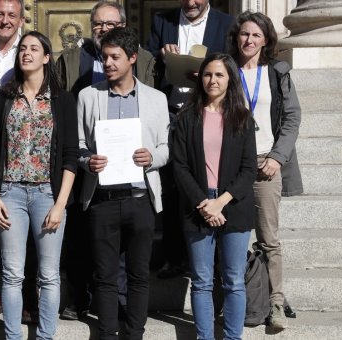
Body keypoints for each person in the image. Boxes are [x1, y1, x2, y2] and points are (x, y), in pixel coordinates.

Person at [55, 0, 155, 321]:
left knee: (122, 241)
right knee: (81, 234)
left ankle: (119, 300)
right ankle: (78, 297)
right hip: (86, 161)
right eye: (98, 25)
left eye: (110, 25)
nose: (103, 30)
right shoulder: (71, 59)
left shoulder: (146, 59)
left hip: (127, 165)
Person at [77, 27, 169, 339]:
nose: (108, 63)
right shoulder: (88, 96)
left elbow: (166, 148)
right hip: (102, 199)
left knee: (139, 274)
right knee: (104, 275)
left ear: (132, 58)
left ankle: (135, 334)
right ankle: (106, 333)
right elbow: (78, 147)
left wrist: (151, 158)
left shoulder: (156, 99)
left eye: (115, 57)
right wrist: (88, 161)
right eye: (104, 57)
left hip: (140, 197)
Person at [0, 31, 78, 340]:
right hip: (10, 192)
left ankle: (45, 336)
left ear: (46, 57)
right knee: (12, 274)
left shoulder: (62, 99)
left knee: (49, 275)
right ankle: (13, 337)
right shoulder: (5, 97)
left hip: (47, 194)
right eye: (22, 48)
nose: (26, 53)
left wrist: (60, 204)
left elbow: (70, 156)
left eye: (33, 48)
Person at [172, 53, 257, 340]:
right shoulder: (186, 117)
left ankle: (234, 337)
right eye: (208, 74)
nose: (213, 80)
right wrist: (205, 202)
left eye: (220, 75)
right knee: (202, 281)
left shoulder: (242, 118)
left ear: (230, 78)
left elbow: (249, 168)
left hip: (233, 203)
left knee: (233, 280)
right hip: (198, 204)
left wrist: (220, 201)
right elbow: (180, 165)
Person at [146, 0, 233, 280]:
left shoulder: (225, 23)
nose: (191, 2)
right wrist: (161, 54)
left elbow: (230, 66)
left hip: (209, 112)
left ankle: (218, 260)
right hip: (172, 113)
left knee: (209, 182)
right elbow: (146, 61)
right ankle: (174, 258)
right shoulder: (163, 21)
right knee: (172, 186)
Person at [228, 11, 303, 330]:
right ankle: (241, 299)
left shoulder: (277, 71)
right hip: (231, 165)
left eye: (256, 35)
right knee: (233, 237)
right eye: (244, 34)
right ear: (236, 37)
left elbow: (292, 117)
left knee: (268, 238)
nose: (249, 40)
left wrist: (277, 156)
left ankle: (274, 303)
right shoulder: (225, 69)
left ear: (267, 40)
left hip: (265, 164)